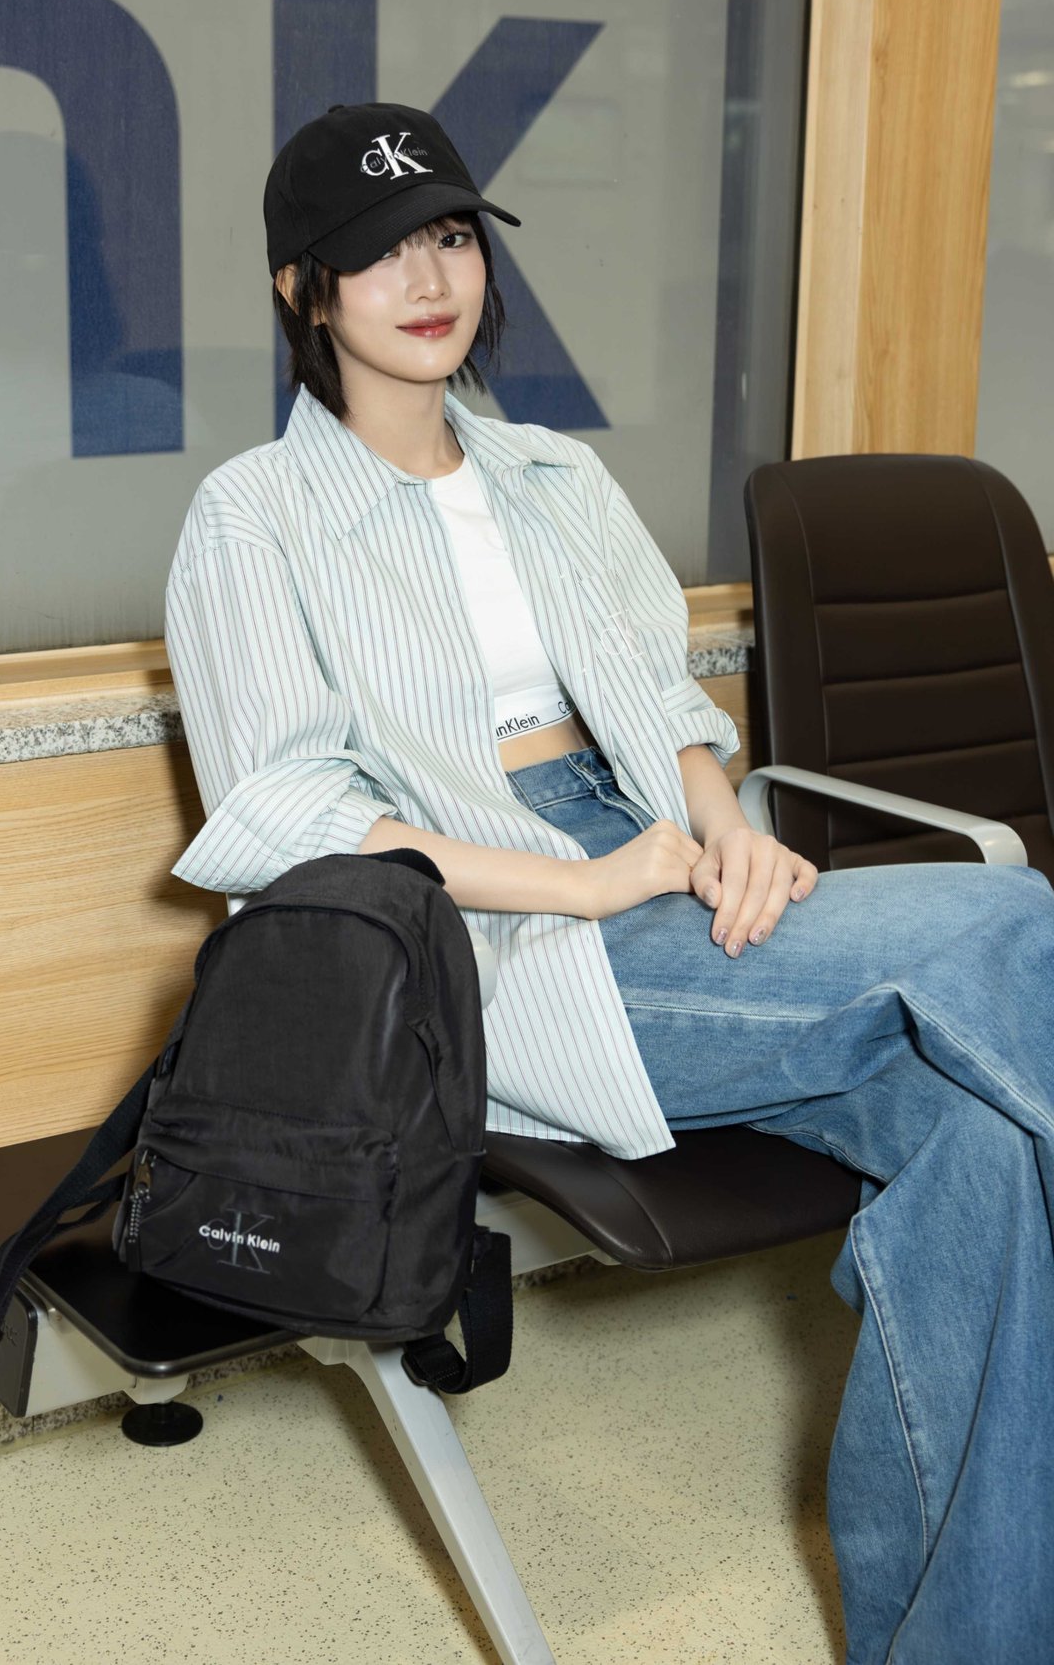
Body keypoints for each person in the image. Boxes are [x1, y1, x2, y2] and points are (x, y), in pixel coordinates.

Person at [165, 102, 1054, 1664]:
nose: (428, 278)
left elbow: (661, 701)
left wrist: (725, 825)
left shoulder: (552, 472)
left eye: (449, 236)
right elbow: (286, 814)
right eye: (377, 253)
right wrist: (574, 887)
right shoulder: (255, 514)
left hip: (650, 849)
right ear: (304, 289)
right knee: (1015, 912)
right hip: (468, 933)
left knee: (976, 1137)